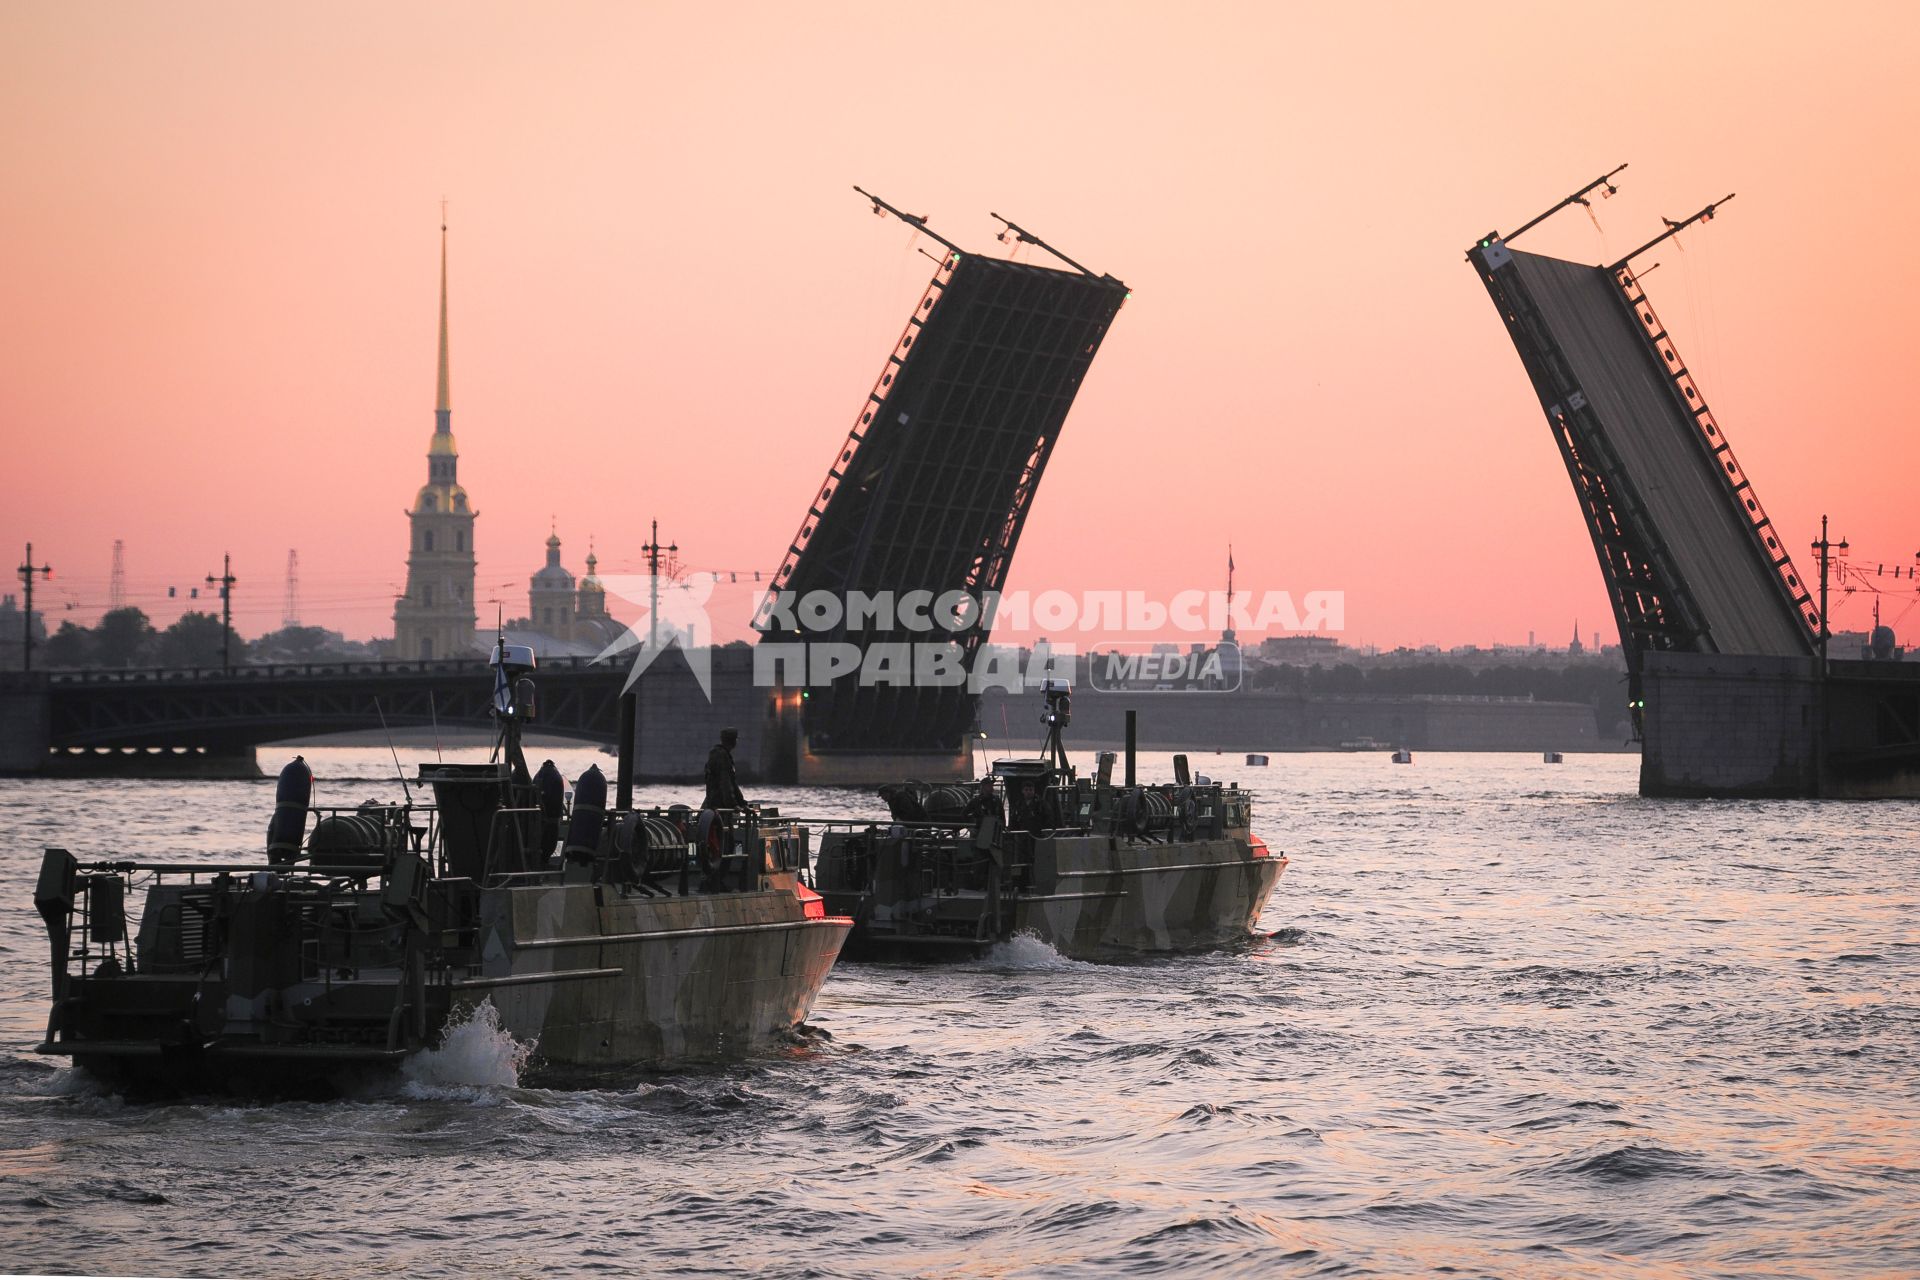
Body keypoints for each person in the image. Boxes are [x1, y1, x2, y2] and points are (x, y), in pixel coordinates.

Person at [703, 726, 746, 811]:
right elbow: (725, 782)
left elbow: (732, 784)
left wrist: (742, 803)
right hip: (719, 805)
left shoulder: (719, 754)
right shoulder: (722, 756)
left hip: (714, 803)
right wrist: (733, 805)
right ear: (733, 741)